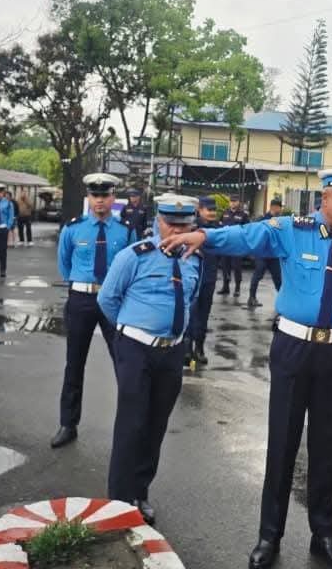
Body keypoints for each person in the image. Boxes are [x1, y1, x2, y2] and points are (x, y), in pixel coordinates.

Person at [161, 166, 332, 569]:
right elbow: (245, 236)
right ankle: (269, 535)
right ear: (325, 197)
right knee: (282, 442)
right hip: (293, 349)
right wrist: (204, 236)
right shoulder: (290, 230)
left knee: (325, 445)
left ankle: (324, 533)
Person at [100, 194, 202, 526]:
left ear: (191, 226)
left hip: (171, 352)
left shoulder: (194, 260)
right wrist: (132, 332)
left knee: (156, 425)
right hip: (136, 349)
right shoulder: (134, 256)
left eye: (183, 225)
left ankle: (140, 492)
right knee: (131, 423)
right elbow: (108, 299)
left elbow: (191, 300)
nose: (176, 230)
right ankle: (118, 501)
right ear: (158, 222)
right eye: (170, 223)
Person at [51, 173, 138, 449]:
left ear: (113, 199)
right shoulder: (73, 229)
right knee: (74, 364)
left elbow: (134, 266)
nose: (100, 201)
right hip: (81, 300)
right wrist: (82, 285)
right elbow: (64, 264)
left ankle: (127, 427)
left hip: (114, 301)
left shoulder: (125, 230)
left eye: (105, 196)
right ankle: (68, 424)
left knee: (124, 364)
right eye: (95, 196)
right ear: (88, 198)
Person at [185, 195, 221, 367]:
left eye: (214, 210)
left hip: (209, 276)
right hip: (193, 275)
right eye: (209, 209)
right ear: (200, 210)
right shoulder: (192, 228)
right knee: (191, 311)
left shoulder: (219, 228)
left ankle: (199, 348)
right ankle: (187, 347)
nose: (212, 213)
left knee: (204, 314)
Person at [247, 197, 286, 308]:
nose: (281, 209)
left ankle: (283, 301)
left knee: (278, 278)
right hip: (263, 254)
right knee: (257, 276)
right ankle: (251, 298)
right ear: (274, 207)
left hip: (273, 255)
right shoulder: (263, 219)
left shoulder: (280, 220)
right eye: (280, 207)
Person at [217, 195, 250, 298]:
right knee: (225, 266)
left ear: (238, 202)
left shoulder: (243, 215)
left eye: (235, 201)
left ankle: (237, 288)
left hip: (237, 245)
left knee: (237, 267)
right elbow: (220, 225)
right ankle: (225, 287)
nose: (232, 203)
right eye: (231, 201)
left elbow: (247, 229)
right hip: (226, 244)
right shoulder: (225, 213)